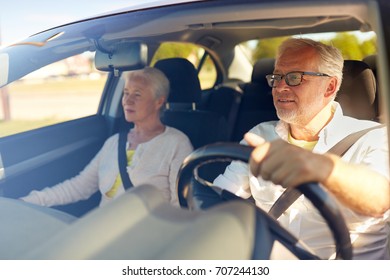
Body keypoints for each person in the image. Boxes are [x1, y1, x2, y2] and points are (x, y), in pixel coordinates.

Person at [213, 38, 390, 259]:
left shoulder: (376, 137)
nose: (280, 87)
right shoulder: (260, 135)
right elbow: (219, 198)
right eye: (277, 77)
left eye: (295, 77)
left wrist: (321, 167)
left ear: (330, 87)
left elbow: (380, 198)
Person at [21, 67, 193, 208]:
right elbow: (79, 187)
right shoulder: (114, 142)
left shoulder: (176, 143)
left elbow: (179, 205)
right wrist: (28, 201)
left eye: (137, 94)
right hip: (102, 229)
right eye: (126, 93)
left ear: (159, 101)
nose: (127, 101)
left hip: (144, 233)